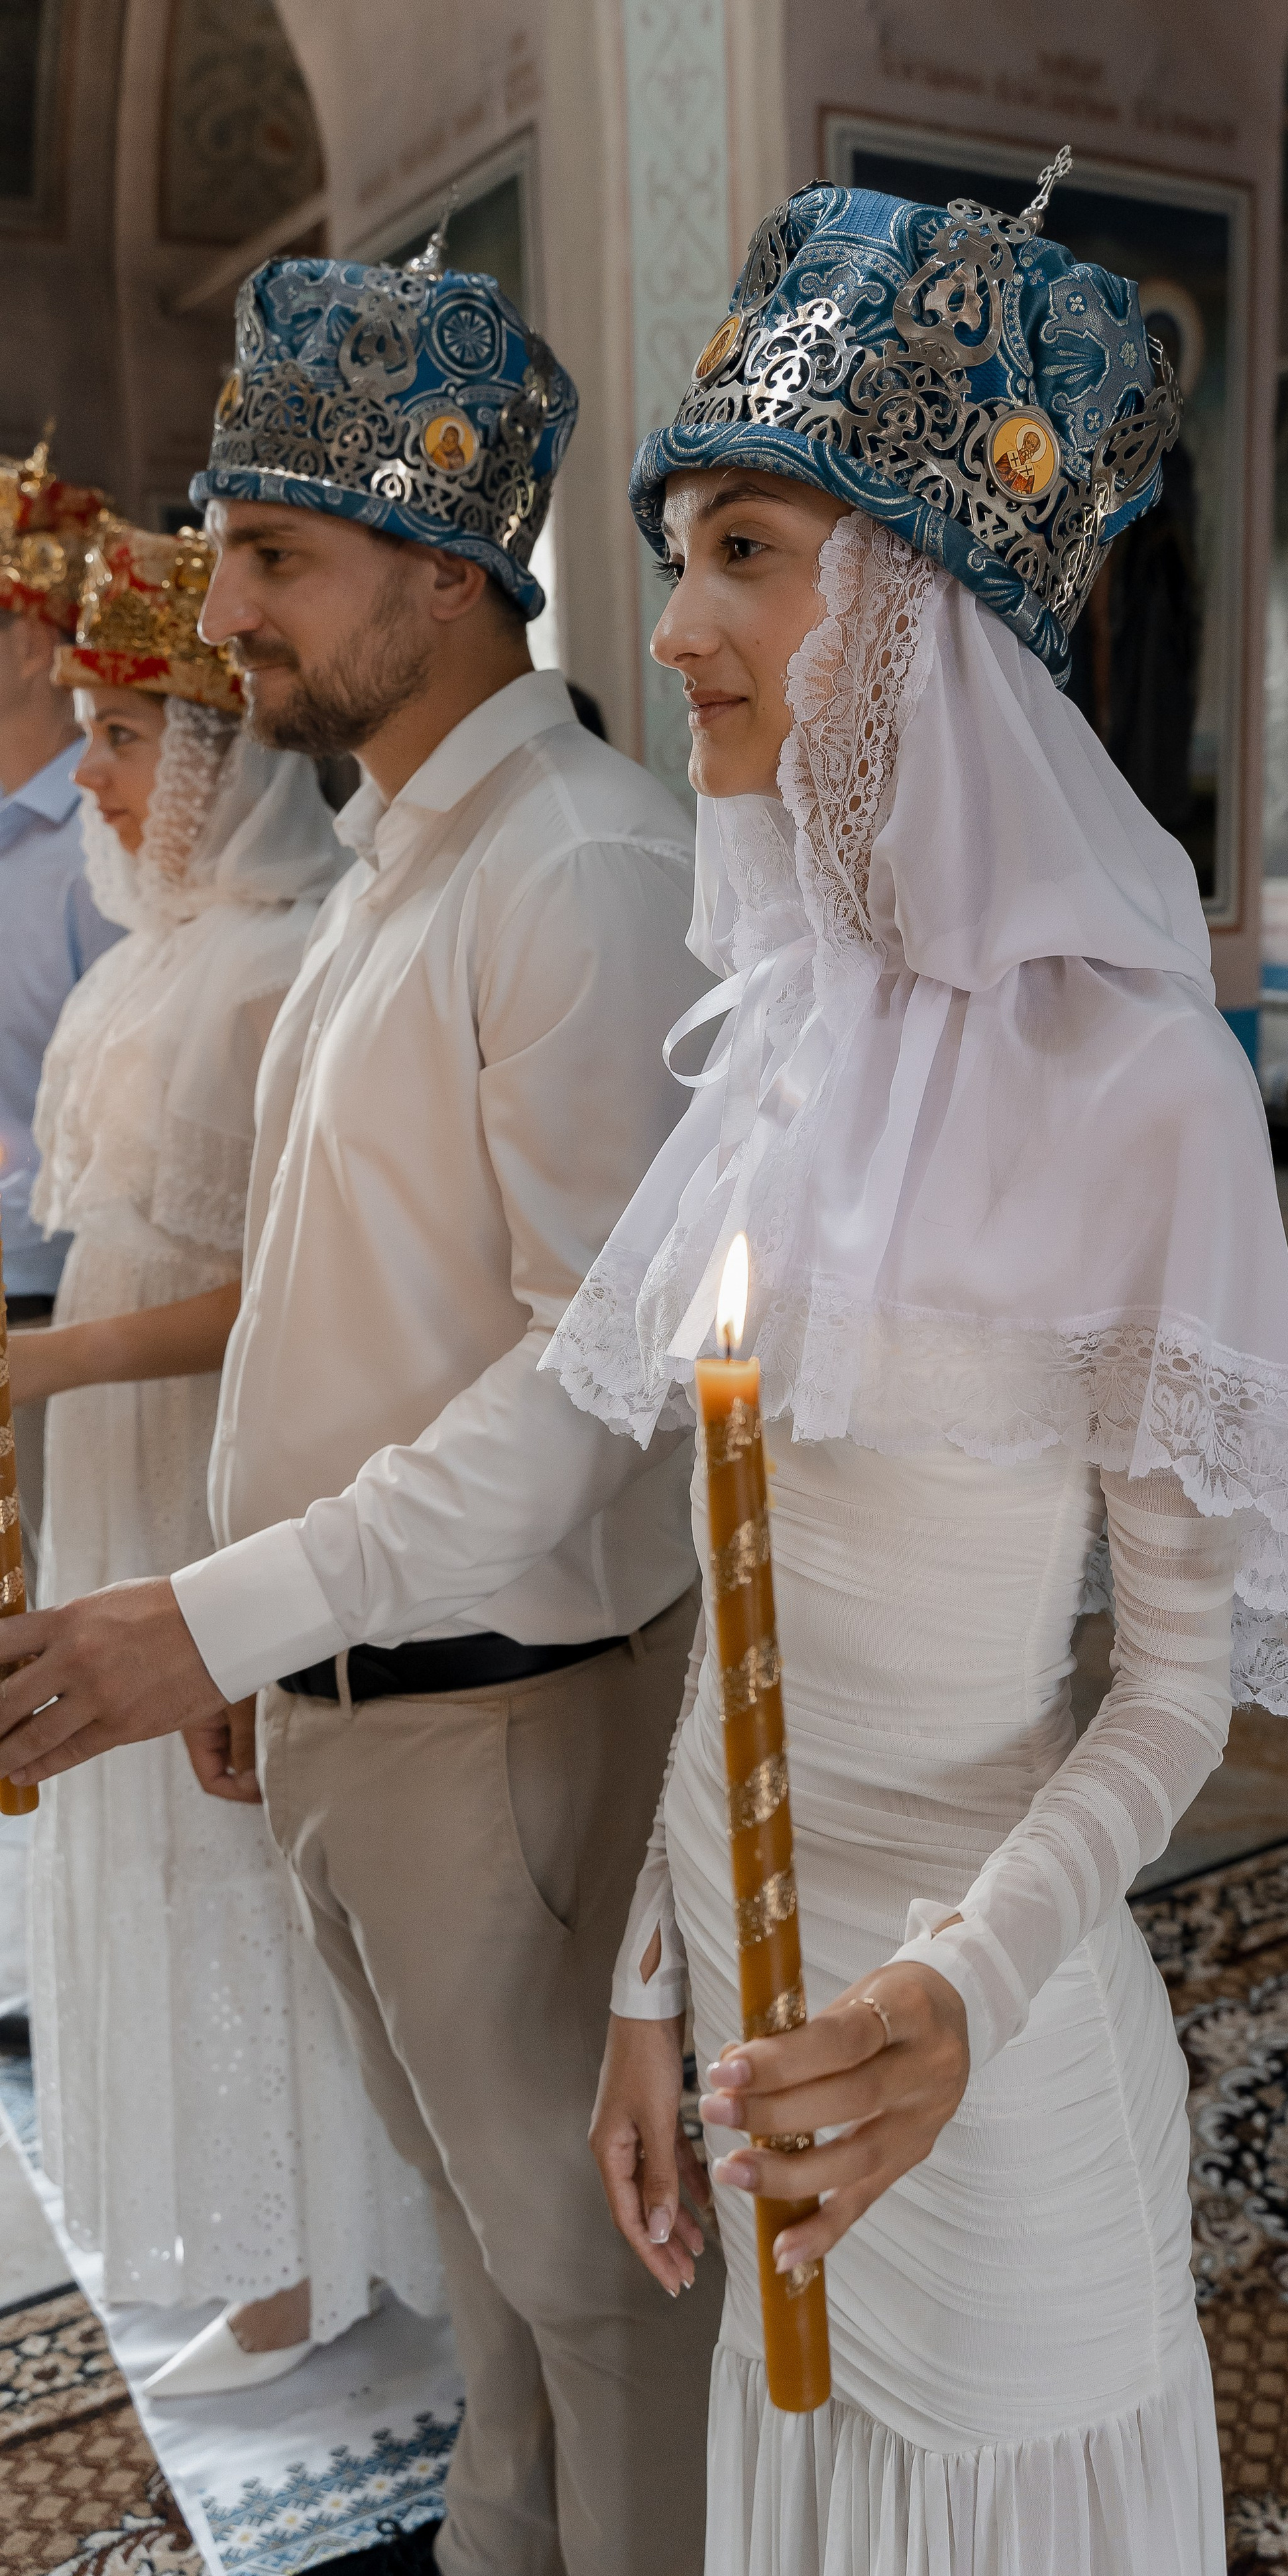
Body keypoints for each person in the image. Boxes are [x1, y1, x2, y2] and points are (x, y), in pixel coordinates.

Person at [547, 173, 1288, 2576]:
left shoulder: (1145, 1094)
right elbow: (744, 1588)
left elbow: (1175, 1689)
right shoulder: (781, 1051)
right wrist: (652, 1988)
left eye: (743, 550)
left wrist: (949, 2004)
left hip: (977, 2099)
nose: (672, 625)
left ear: (910, 608)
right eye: (672, 550)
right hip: (765, 2073)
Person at [0, 239, 718, 2573]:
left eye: (278, 561)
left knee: (596, 2299)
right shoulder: (411, 859)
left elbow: (590, 1393)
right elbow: (329, 1305)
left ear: (444, 558)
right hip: (359, 1686)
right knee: (492, 2270)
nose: (229, 623)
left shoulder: (583, 871)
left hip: (502, 1710)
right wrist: (256, 1635)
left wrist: (231, 1617)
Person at [14, 516, 443, 2394]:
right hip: (113, 1434)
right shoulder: (146, 963)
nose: (91, 775)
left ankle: (307, 2254)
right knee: (129, 1822)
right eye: (94, 735)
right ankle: (217, 2214)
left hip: (208, 1447)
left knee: (237, 1846)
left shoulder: (290, 965)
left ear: (216, 759)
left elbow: (275, 1290)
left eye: (122, 740)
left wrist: (43, 1369)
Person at [0, 440, 124, 2020]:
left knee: (43, 1625)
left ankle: (48, 1963)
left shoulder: (91, 832)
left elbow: (133, 1092)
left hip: (59, 1300)